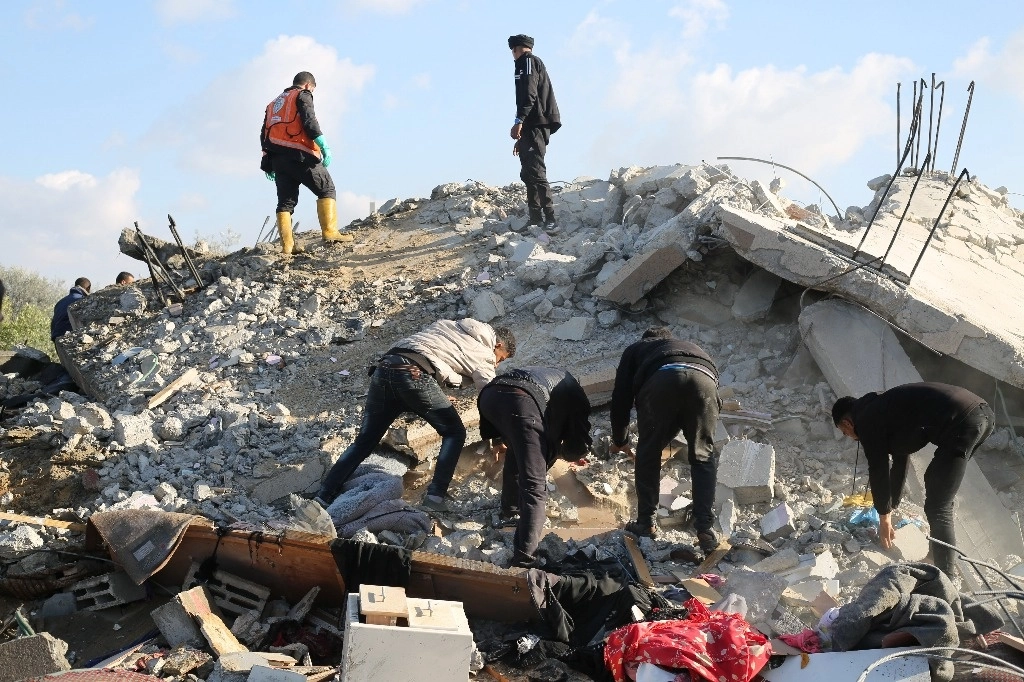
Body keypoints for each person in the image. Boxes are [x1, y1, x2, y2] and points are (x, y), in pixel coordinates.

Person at [316, 319, 517, 511]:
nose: (496, 364)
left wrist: (436, 394)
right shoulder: (484, 352)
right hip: (413, 375)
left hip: (385, 369)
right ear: (497, 345)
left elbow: (431, 353)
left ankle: (323, 495)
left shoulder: (451, 326)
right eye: (501, 358)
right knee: (455, 433)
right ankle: (435, 497)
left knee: (365, 441)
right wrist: (498, 437)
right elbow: (489, 395)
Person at [832, 382, 994, 578]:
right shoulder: (880, 407)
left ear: (847, 424)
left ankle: (945, 577)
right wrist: (892, 505)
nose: (849, 436)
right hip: (982, 415)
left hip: (961, 421)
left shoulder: (866, 420)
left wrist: (884, 518)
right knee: (936, 482)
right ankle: (935, 558)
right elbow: (901, 458)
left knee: (938, 505)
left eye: (844, 432)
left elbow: (878, 469)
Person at [609, 327, 722, 553]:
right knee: (702, 455)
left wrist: (621, 439)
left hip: (663, 380)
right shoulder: (691, 347)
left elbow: (620, 398)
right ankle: (705, 529)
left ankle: (646, 523)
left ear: (648, 339)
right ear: (668, 339)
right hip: (704, 383)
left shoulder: (637, 349)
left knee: (648, 453)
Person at [478, 366, 592, 566]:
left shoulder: (555, 381)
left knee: (518, 446)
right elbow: (579, 442)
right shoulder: (576, 397)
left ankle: (510, 510)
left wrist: (496, 439)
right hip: (521, 401)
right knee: (535, 487)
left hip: (489, 395)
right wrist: (569, 454)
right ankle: (525, 558)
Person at [261, 71, 353, 255]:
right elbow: (309, 120)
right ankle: (330, 232)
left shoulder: (272, 104)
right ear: (308, 86)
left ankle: (287, 246)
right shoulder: (302, 95)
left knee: (285, 202)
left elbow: (264, 133)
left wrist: (267, 161)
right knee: (326, 188)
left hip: (277, 158)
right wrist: (323, 144)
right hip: (300, 153)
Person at [508, 34, 561, 231]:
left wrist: (518, 121)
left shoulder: (528, 62)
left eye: (512, 51)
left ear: (516, 49)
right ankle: (535, 219)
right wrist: (521, 134)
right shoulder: (523, 64)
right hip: (530, 125)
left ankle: (551, 219)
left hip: (537, 123)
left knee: (537, 171)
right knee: (528, 172)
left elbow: (529, 95)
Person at [51, 277, 91, 341]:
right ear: (88, 288)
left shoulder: (60, 302)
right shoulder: (83, 300)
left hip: (56, 337)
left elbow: (53, 323)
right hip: (70, 336)